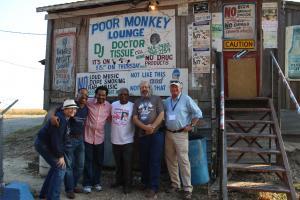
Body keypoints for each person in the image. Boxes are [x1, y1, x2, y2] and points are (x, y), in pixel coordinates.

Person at [164, 80, 203, 200]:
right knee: (171, 160)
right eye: (172, 88)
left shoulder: (186, 99)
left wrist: (192, 125)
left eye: (176, 88)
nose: (174, 91)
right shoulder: (166, 101)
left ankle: (187, 188)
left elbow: (198, 113)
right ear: (170, 89)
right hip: (168, 134)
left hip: (181, 134)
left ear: (180, 89)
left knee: (184, 162)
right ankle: (175, 184)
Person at [34, 99, 78, 200]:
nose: (73, 110)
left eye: (74, 109)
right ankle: (52, 197)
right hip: (44, 144)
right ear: (64, 110)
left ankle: (44, 195)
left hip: (46, 144)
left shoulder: (64, 117)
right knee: (60, 168)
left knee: (56, 167)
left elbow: (59, 140)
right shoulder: (60, 120)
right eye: (70, 108)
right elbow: (56, 140)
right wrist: (60, 156)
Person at [51, 88, 89, 199]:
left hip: (80, 140)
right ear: (77, 96)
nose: (84, 98)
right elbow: (57, 109)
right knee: (69, 166)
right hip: (69, 140)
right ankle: (69, 189)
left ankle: (74, 184)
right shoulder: (71, 105)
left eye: (86, 96)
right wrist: (53, 116)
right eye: (82, 95)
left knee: (80, 165)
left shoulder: (86, 108)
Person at [132, 81, 164, 199]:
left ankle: (153, 187)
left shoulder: (156, 99)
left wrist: (153, 127)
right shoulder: (137, 102)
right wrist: (145, 128)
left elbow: (161, 114)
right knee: (144, 160)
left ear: (150, 88)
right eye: (142, 87)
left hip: (156, 135)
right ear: (140, 89)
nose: (144, 89)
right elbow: (134, 118)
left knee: (154, 161)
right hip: (142, 135)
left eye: (146, 87)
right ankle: (145, 183)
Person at [82, 86, 111, 193]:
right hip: (87, 137)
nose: (101, 97)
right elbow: (78, 103)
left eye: (103, 95)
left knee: (98, 161)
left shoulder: (108, 106)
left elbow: (110, 119)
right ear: (95, 94)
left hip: (100, 138)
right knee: (88, 161)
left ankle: (96, 182)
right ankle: (87, 183)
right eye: (99, 94)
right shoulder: (88, 102)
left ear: (106, 96)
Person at [110, 88, 135, 194]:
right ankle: (119, 181)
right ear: (118, 95)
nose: (123, 96)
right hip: (115, 139)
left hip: (127, 140)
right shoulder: (113, 105)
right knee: (118, 163)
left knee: (127, 164)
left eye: (126, 94)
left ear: (128, 95)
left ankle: (127, 185)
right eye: (121, 94)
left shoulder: (132, 106)